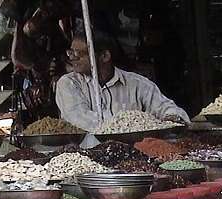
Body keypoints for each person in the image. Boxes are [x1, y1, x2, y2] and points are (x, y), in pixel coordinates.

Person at [56, 32, 189, 132]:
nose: (72, 58)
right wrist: (137, 125)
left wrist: (172, 118)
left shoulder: (137, 83)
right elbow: (79, 119)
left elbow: (167, 108)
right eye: (71, 52)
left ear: (104, 56)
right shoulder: (68, 84)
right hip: (86, 155)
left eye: (79, 53)